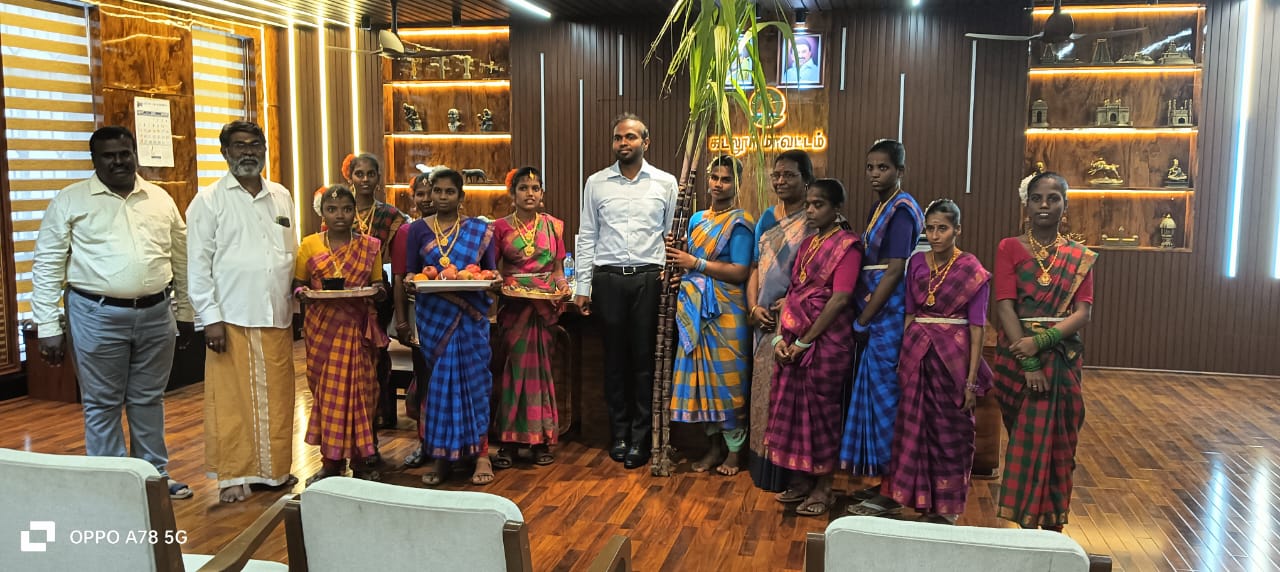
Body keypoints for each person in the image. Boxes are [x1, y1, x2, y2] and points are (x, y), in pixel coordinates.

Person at [31, 125, 195, 500]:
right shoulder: (70, 201)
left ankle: (153, 477)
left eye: (125, 153)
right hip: (95, 314)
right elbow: (47, 265)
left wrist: (185, 312)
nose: (118, 161)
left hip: (157, 312)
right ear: (94, 160)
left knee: (149, 399)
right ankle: (111, 485)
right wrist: (47, 325)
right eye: (109, 156)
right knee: (102, 402)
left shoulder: (160, 199)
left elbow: (181, 260)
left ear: (135, 154)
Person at [187, 120, 298, 504]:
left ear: (264, 150)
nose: (248, 152)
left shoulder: (281, 195)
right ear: (225, 153)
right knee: (231, 401)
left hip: (276, 312)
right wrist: (209, 318)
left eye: (255, 145)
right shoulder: (208, 200)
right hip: (230, 315)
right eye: (239, 146)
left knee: (278, 399)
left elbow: (289, 250)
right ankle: (233, 476)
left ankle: (273, 472)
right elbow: (198, 265)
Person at [574, 113, 679, 469]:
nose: (623, 143)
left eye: (631, 137)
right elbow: (588, 236)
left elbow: (672, 236)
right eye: (618, 137)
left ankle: (641, 437)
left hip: (649, 280)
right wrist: (583, 286)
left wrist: (671, 275)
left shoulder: (665, 182)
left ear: (645, 142)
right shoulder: (596, 183)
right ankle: (618, 434)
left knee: (645, 361)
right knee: (614, 361)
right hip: (608, 280)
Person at [992, 172, 1095, 530]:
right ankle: (1025, 526)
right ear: (1027, 203)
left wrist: (1041, 342)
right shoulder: (1009, 247)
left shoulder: (1079, 257)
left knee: (1059, 447)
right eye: (1037, 198)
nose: (1045, 205)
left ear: (1065, 205)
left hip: (1061, 359)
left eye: (1053, 198)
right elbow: (1004, 305)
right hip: (1017, 358)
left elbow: (1083, 313)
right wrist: (1030, 361)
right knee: (1025, 440)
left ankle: (1052, 525)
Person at [881, 199, 992, 525]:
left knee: (952, 432)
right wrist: (902, 359)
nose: (935, 235)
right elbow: (910, 313)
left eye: (942, 228)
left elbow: (977, 327)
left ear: (958, 230)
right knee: (914, 431)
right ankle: (921, 500)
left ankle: (947, 507)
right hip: (917, 356)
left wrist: (971, 381)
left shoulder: (971, 269)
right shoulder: (917, 262)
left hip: (953, 360)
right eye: (930, 229)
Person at [766, 179, 861, 517]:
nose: (810, 210)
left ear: (837, 208)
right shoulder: (808, 244)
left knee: (822, 415)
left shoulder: (848, 246)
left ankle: (824, 486)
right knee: (793, 412)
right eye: (808, 204)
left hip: (825, 343)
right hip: (793, 338)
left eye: (818, 205)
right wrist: (780, 339)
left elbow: (840, 298)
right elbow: (793, 293)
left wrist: (805, 341)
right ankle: (802, 480)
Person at [404, 168, 499, 486]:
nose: (442, 197)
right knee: (440, 388)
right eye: (437, 191)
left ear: (461, 196)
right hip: (435, 318)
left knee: (475, 384)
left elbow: (490, 273)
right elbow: (412, 273)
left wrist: (494, 281)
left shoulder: (479, 230)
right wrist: (410, 282)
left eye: (449, 192)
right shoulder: (417, 230)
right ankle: (442, 457)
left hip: (471, 319)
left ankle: (481, 454)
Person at [844, 139, 924, 517]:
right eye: (870, 167)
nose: (875, 174)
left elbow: (894, 271)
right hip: (875, 309)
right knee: (875, 400)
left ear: (900, 171)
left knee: (888, 400)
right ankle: (883, 482)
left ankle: (894, 489)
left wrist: (864, 318)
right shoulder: (881, 206)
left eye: (883, 168)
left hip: (888, 313)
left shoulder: (902, 210)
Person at [666, 155, 755, 476]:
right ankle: (714, 447)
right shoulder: (697, 219)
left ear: (737, 184)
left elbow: (740, 271)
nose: (718, 184)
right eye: (714, 177)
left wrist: (696, 264)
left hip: (727, 313)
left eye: (726, 179)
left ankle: (734, 452)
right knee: (703, 382)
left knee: (727, 382)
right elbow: (690, 262)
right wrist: (683, 269)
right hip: (696, 311)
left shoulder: (741, 222)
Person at [294, 184, 389, 484]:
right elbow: (298, 284)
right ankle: (331, 463)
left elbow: (379, 285)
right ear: (322, 213)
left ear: (354, 213)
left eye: (347, 209)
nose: (340, 215)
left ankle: (361, 461)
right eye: (332, 209)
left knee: (362, 392)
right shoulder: (309, 244)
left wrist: (377, 292)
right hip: (322, 329)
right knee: (327, 396)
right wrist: (303, 294)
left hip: (357, 329)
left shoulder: (369, 246)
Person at [746, 150, 815, 491]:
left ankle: (790, 473)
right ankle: (762, 465)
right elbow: (755, 268)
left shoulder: (815, 221)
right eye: (776, 175)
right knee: (762, 393)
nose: (780, 181)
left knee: (789, 396)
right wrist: (751, 307)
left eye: (789, 175)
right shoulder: (766, 219)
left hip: (797, 322)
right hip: (763, 322)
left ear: (806, 180)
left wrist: (790, 304)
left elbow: (820, 279)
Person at [492, 167, 567, 468]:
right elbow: (493, 270)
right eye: (523, 188)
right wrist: (501, 284)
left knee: (541, 376)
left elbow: (558, 269)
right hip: (514, 308)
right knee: (513, 374)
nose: (530, 193)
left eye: (535, 188)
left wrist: (563, 287)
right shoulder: (499, 228)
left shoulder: (553, 226)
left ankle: (540, 440)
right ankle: (509, 442)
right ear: (513, 194)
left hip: (544, 308)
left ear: (542, 193)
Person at [343, 153, 408, 434]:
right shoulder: (339, 209)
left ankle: (382, 412)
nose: (365, 179)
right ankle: (351, 415)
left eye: (371, 174)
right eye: (360, 174)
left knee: (378, 351)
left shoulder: (391, 215)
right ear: (350, 177)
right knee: (348, 354)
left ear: (379, 178)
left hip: (378, 291)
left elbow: (397, 258)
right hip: (344, 292)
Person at [391, 171, 434, 468]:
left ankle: (457, 445)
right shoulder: (407, 232)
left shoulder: (462, 229)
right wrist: (403, 322)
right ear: (413, 198)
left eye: (434, 191)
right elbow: (398, 278)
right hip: (420, 315)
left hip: (456, 317)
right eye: (421, 193)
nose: (428, 198)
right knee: (425, 379)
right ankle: (425, 442)